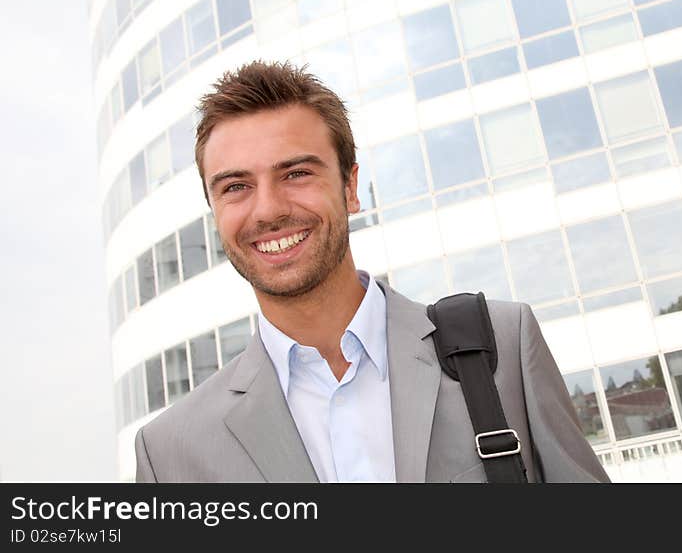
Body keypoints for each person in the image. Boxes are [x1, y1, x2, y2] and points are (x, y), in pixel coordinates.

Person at [134, 60, 609, 483]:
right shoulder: (170, 455)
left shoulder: (501, 348)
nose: (267, 210)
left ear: (350, 186)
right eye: (235, 186)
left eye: (296, 173)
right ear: (215, 211)